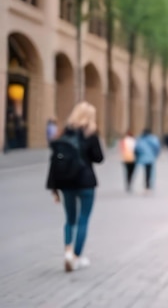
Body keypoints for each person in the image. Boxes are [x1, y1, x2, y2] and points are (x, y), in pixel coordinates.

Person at [45, 101, 104, 272]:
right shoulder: (90, 134)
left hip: (66, 183)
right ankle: (77, 257)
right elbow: (99, 158)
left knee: (70, 219)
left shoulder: (64, 133)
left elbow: (54, 161)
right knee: (83, 219)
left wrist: (53, 188)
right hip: (86, 182)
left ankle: (68, 253)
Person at [134, 128, 161, 193]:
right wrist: (156, 154)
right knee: (149, 171)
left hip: (143, 157)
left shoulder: (140, 139)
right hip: (151, 157)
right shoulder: (153, 139)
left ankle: (147, 184)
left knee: (146, 171)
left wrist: (137, 156)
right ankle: (148, 184)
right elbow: (157, 147)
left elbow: (137, 148)